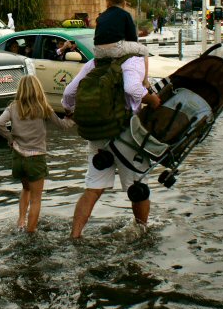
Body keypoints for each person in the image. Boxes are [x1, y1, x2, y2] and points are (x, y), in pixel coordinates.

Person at [62, 51, 161, 238]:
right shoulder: (133, 60)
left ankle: (75, 236)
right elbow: (132, 89)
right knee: (138, 188)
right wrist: (151, 99)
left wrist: (70, 110)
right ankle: (142, 231)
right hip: (127, 136)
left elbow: (68, 93)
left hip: (98, 134)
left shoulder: (94, 62)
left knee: (93, 189)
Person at [0, 75, 74, 233]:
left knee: (25, 189)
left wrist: (10, 139)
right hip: (36, 158)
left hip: (18, 157)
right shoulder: (43, 107)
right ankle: (30, 233)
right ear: (38, 89)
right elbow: (63, 126)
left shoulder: (13, 106)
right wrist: (73, 117)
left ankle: (21, 221)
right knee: (36, 199)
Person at [93, 0, 150, 86]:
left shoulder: (100, 16)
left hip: (98, 52)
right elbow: (132, 39)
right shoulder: (125, 15)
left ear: (107, 2)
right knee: (144, 50)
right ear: (124, 3)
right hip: (116, 49)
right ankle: (145, 81)